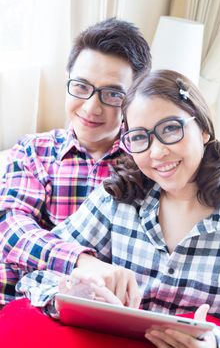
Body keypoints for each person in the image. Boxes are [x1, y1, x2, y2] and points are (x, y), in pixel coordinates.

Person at [16, 69, 220, 347]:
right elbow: (36, 273)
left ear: (203, 129)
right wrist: (77, 296)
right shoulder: (116, 199)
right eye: (140, 137)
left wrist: (218, 343)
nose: (156, 152)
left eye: (170, 129)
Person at [0, 17, 151, 306]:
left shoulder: (147, 160)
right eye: (81, 87)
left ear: (133, 98)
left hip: (109, 312)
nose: (91, 107)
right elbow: (9, 227)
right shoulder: (35, 150)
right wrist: (81, 261)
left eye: (112, 94)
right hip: (26, 303)